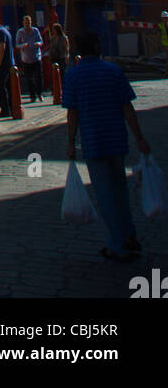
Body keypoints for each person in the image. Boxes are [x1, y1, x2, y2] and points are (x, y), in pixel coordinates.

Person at [63, 31, 150, 261]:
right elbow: (127, 108)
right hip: (116, 139)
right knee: (120, 190)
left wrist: (71, 142)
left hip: (93, 142)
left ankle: (116, 245)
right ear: (95, 46)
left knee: (105, 195)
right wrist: (139, 137)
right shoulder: (113, 71)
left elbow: (73, 113)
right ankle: (128, 235)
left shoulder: (73, 76)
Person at [15, 14, 44, 102]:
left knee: (38, 77)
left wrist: (38, 44)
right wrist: (23, 45)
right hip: (26, 59)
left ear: (31, 22)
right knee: (29, 78)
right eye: (26, 22)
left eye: (29, 22)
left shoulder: (35, 30)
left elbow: (41, 41)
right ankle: (32, 95)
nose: (28, 24)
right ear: (23, 23)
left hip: (36, 57)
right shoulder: (20, 32)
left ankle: (39, 94)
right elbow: (17, 45)